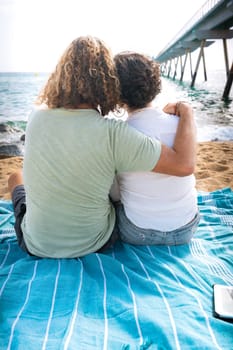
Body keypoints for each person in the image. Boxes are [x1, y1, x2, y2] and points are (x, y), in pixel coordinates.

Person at [8, 36, 196, 258]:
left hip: (36, 244)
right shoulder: (113, 133)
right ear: (108, 83)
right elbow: (183, 164)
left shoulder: (36, 118)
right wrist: (187, 111)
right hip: (94, 242)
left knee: (15, 177)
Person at [110, 51, 200, 246]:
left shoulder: (118, 136)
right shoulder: (182, 124)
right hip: (186, 228)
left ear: (117, 94)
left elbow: (116, 195)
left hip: (138, 232)